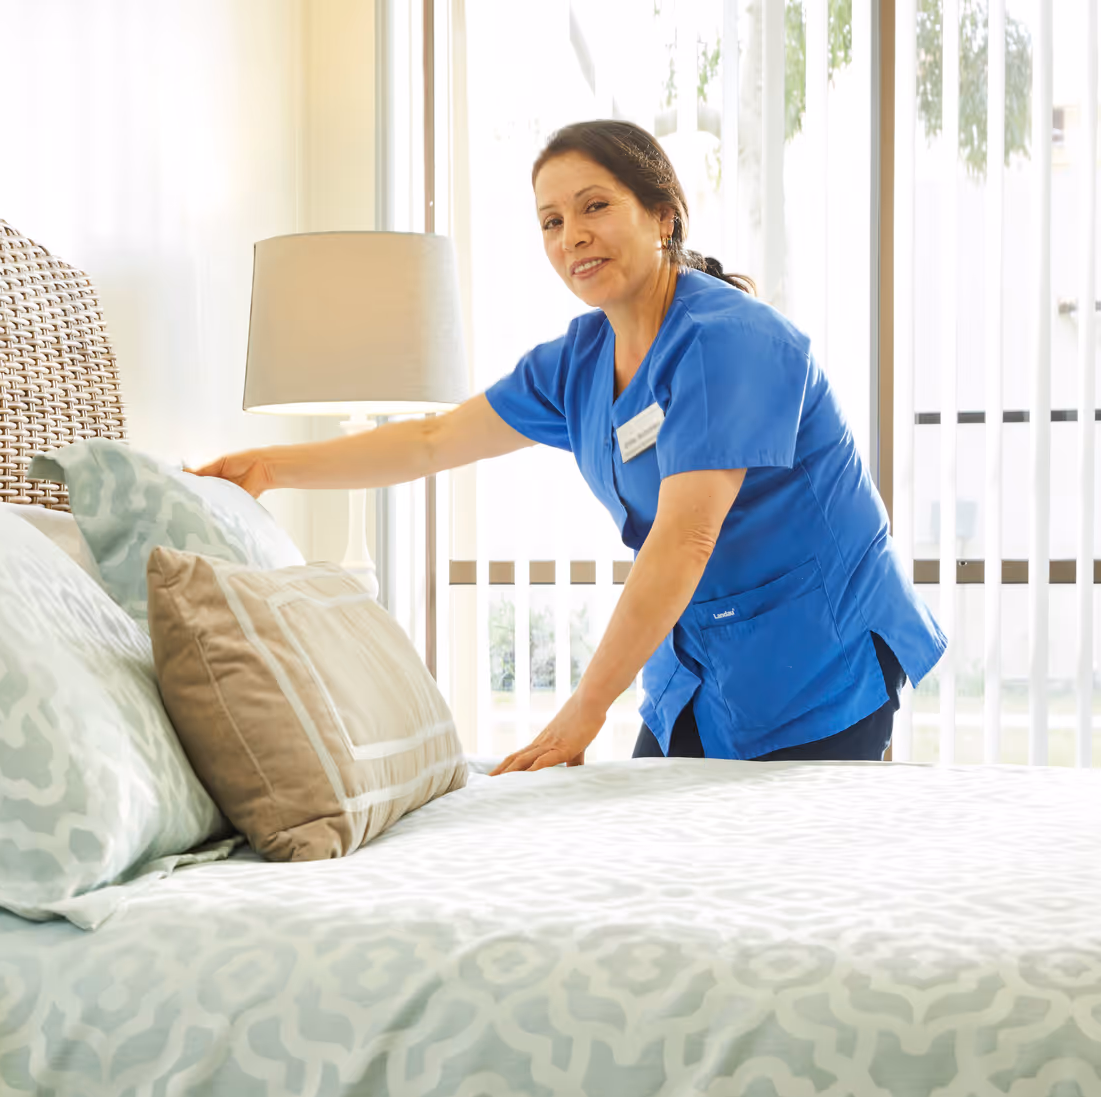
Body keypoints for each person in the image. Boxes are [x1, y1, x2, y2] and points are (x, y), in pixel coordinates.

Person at [194, 119, 945, 775]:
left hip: (816, 654)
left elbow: (684, 540)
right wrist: (268, 467)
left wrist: (583, 711)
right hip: (699, 668)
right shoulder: (579, 361)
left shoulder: (729, 342)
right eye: (551, 221)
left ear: (664, 217)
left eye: (594, 207)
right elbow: (430, 442)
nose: (572, 236)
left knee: (775, 896)